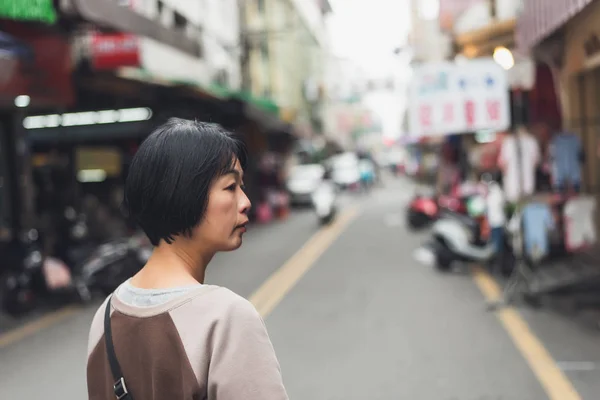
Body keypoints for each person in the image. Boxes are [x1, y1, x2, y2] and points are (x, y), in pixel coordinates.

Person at [86, 119, 289, 400]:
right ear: (183, 193)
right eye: (231, 187)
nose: (245, 202)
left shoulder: (105, 317)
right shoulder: (226, 318)